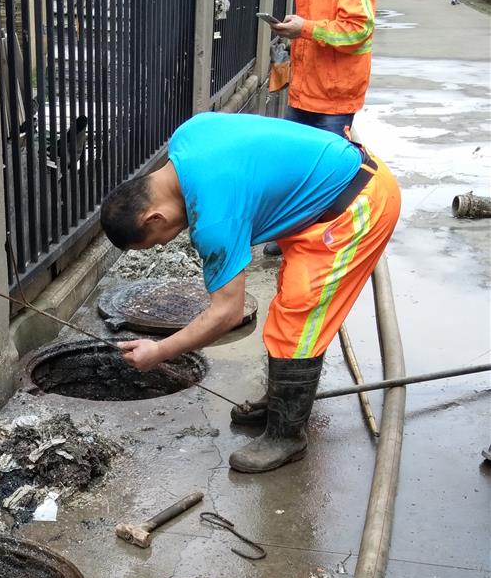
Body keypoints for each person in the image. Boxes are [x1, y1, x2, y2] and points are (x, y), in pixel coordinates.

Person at [99, 112, 401, 474]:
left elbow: (227, 312)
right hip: (328, 188)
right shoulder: (186, 138)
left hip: (356, 206)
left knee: (299, 321)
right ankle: (281, 402)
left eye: (155, 243)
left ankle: (287, 436)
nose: (167, 243)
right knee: (289, 309)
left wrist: (159, 352)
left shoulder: (214, 219)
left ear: (154, 218)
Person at [259, 0, 376, 255]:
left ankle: (318, 247)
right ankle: (291, 232)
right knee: (295, 168)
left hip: (335, 96)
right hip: (306, 88)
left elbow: (359, 29)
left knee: (328, 176)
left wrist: (304, 28)